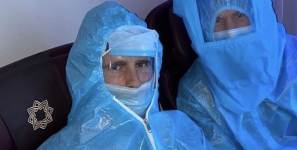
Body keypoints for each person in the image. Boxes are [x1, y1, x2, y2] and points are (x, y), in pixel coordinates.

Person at [38, 1, 210, 149]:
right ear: (90, 75)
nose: (134, 81)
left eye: (142, 64)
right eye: (117, 66)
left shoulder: (179, 128)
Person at [174, 0, 297, 149]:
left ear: (259, 15)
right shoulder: (195, 92)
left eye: (239, 15)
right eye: (218, 20)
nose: (230, 31)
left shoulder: (295, 61)